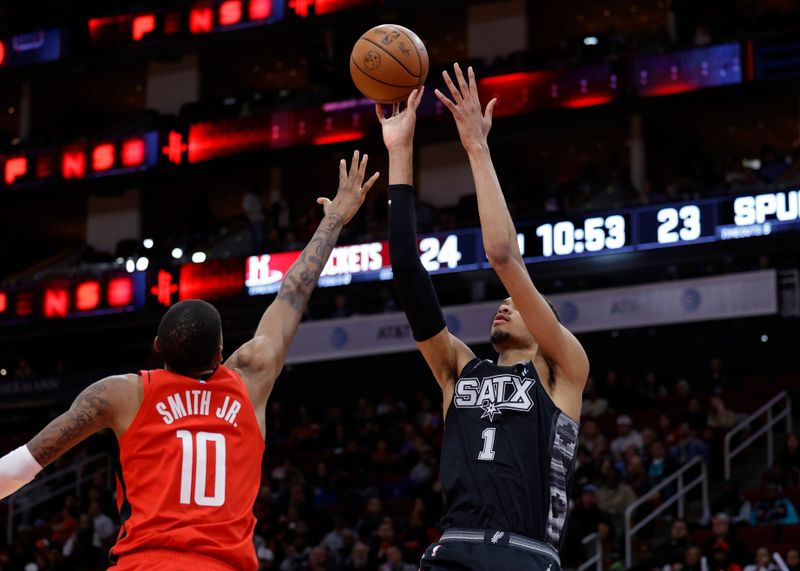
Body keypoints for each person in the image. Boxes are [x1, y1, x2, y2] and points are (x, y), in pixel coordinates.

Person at [0, 152, 379, 571]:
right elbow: (294, 292)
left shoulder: (120, 393)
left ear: (157, 346)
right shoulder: (250, 377)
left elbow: (21, 466)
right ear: (221, 353)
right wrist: (335, 219)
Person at [378, 64, 589, 571]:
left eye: (517, 304)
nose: (505, 302)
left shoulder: (562, 368)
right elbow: (407, 270)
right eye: (505, 301)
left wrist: (477, 147)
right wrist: (400, 152)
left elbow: (503, 257)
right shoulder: (458, 369)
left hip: (523, 554)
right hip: (452, 548)